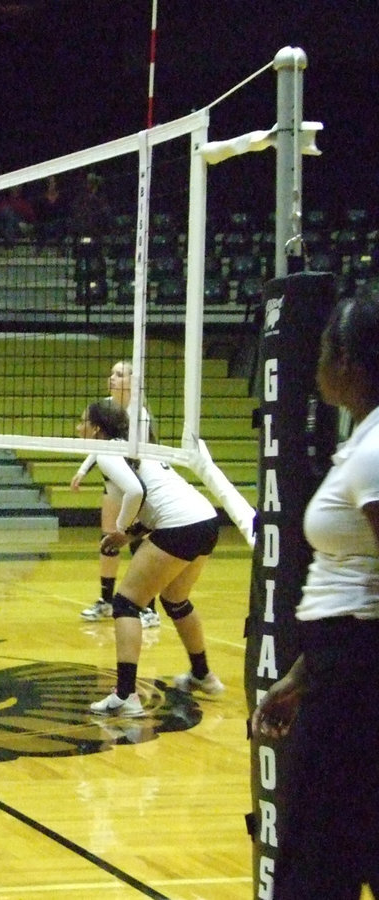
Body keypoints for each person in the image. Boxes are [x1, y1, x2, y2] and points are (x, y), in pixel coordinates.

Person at [251, 296, 379, 899]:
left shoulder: (374, 451)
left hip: (356, 678)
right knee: (341, 844)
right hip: (341, 666)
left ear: (347, 361)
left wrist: (346, 674)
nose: (318, 365)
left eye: (325, 351)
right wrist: (304, 676)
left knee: (315, 856)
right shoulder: (362, 439)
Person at [76, 398, 225, 718]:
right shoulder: (138, 447)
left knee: (126, 603)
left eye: (83, 422)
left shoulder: (108, 452)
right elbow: (152, 501)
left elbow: (136, 492)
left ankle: (126, 695)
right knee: (175, 599)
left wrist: (119, 529)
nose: (78, 428)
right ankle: (203, 675)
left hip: (179, 525)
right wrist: (129, 536)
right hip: (207, 520)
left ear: (97, 429)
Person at [71, 360, 162, 629]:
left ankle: (148, 608)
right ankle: (106, 600)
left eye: (120, 374)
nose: (112, 377)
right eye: (112, 373)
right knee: (108, 540)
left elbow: (138, 455)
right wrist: (83, 469)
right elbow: (101, 442)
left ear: (133, 381)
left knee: (137, 543)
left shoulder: (140, 414)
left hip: (135, 481)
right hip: (113, 480)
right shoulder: (105, 406)